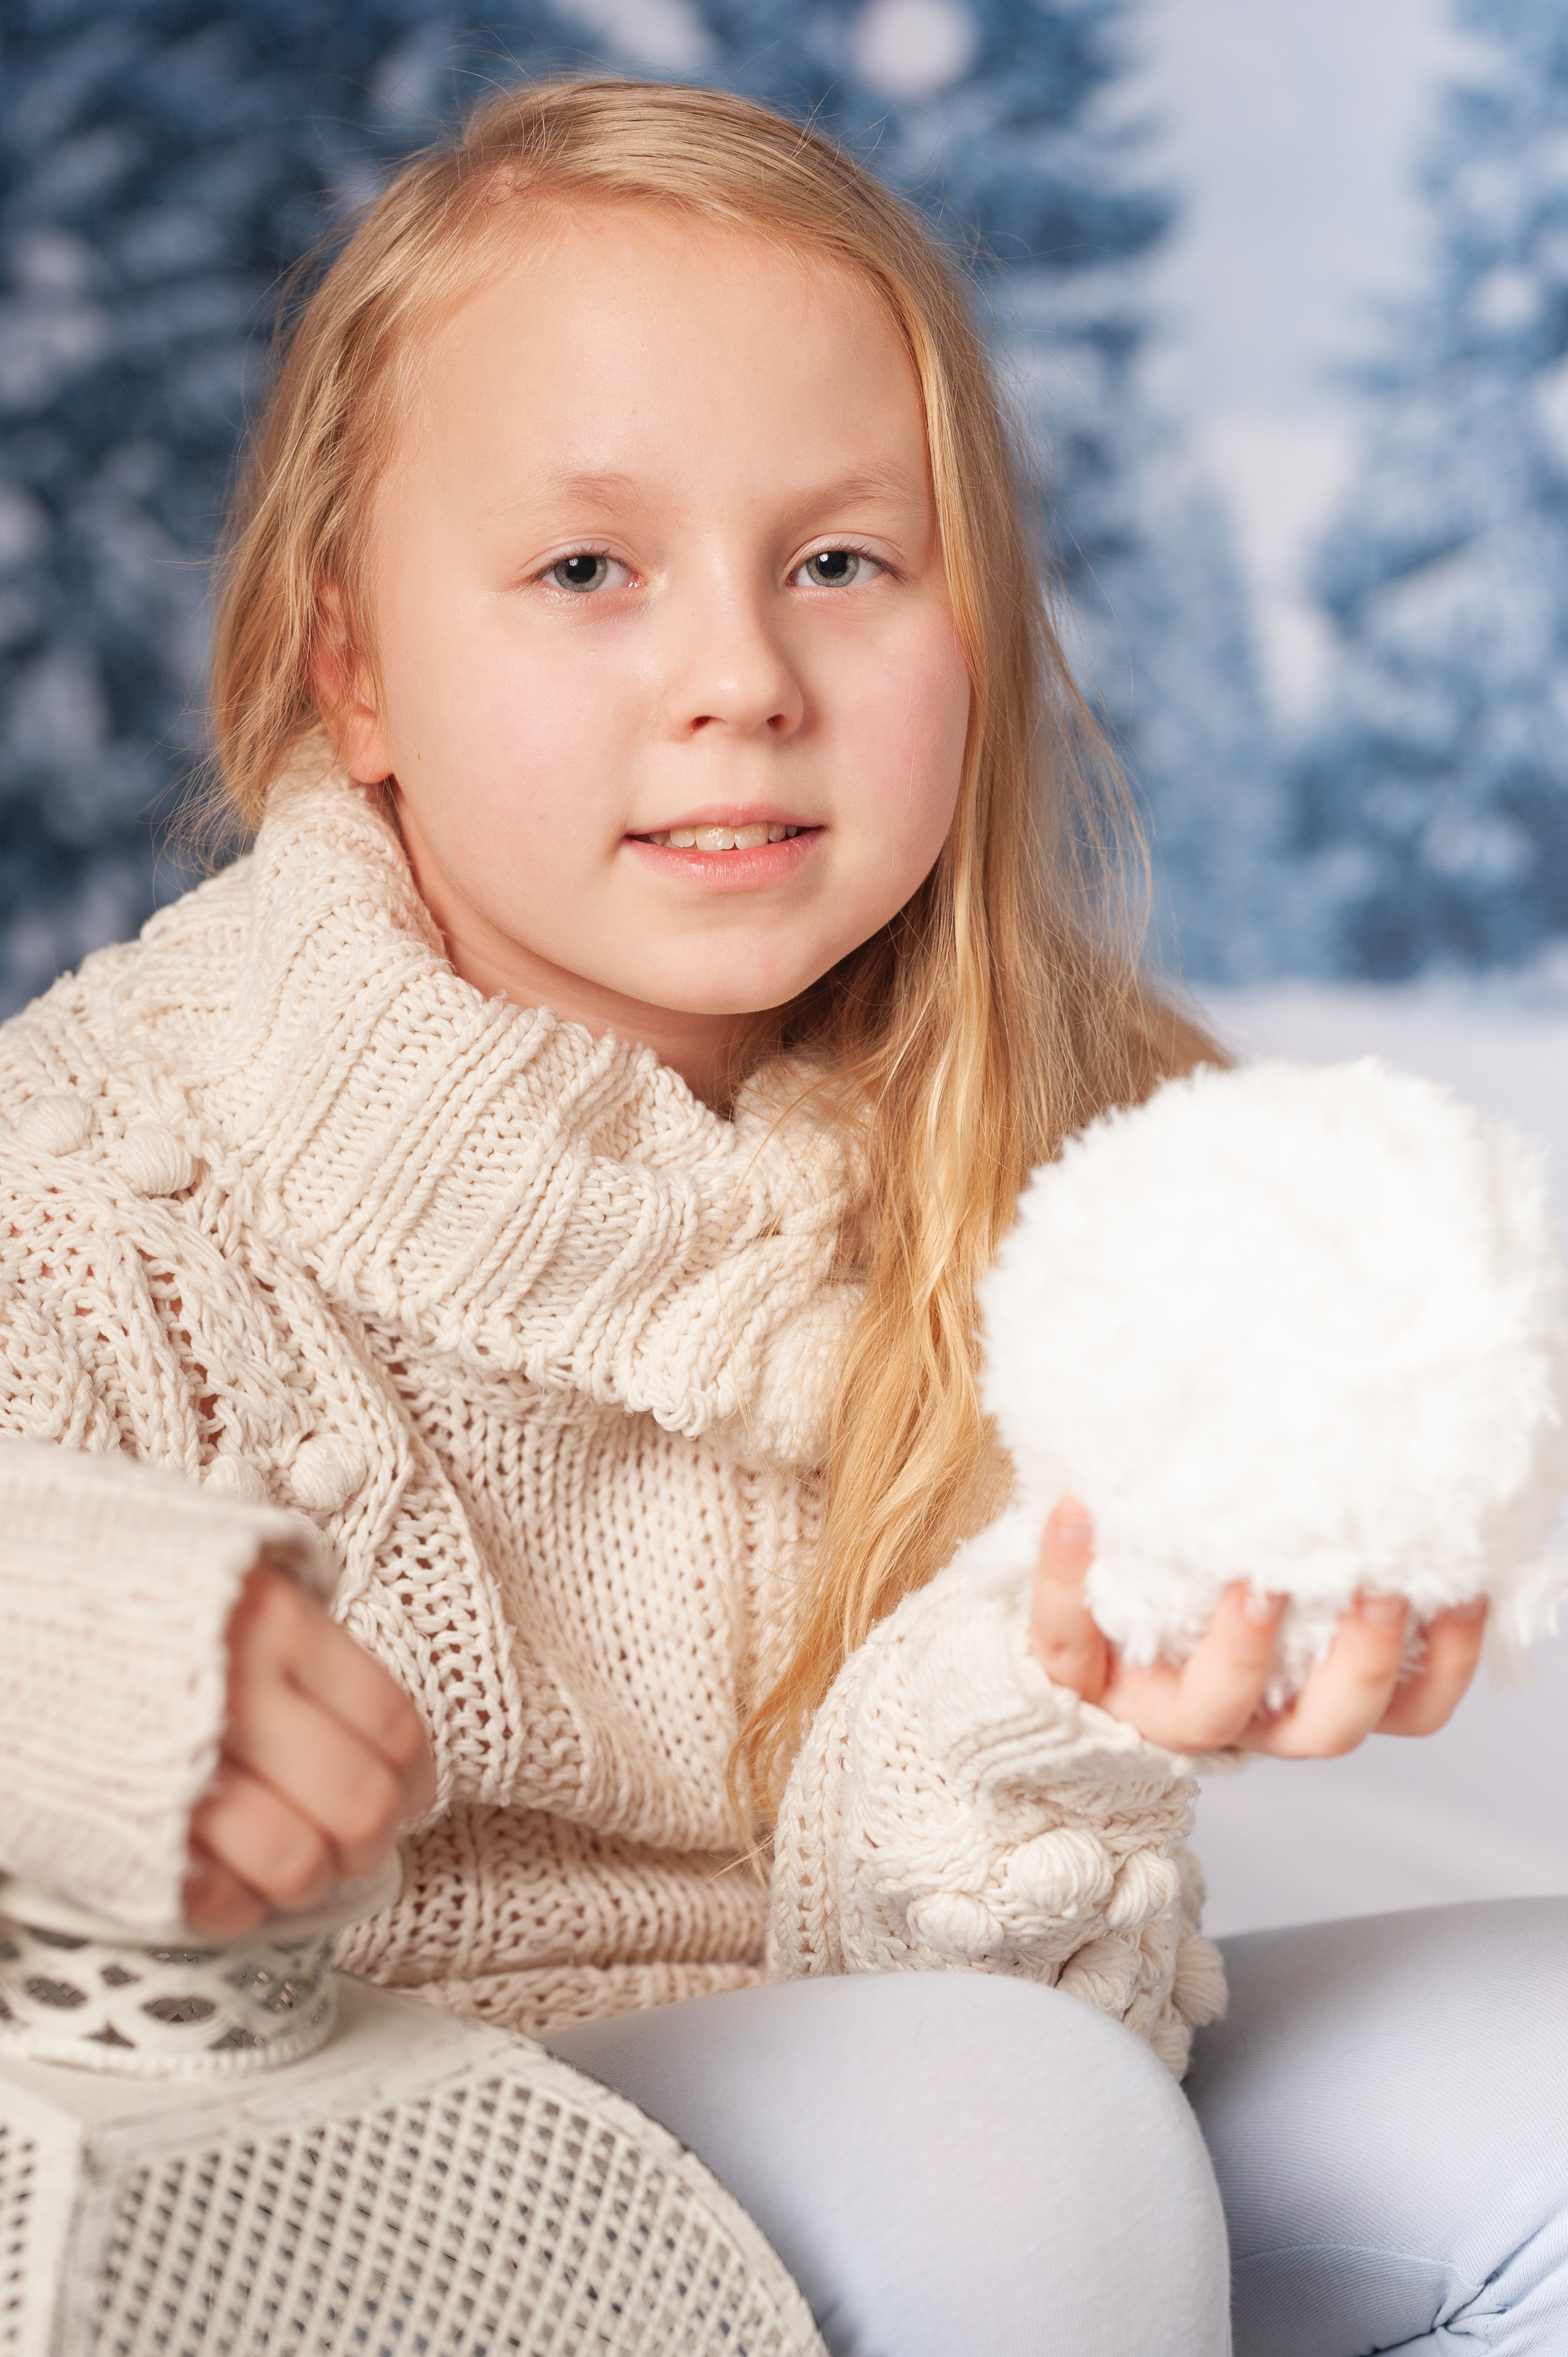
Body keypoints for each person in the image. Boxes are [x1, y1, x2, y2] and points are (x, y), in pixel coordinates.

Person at [0, 75, 1561, 2356]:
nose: (741, 677)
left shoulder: (1091, 1156)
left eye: (842, 560)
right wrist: (76, 1666)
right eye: (585, 572)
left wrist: (1128, 1670)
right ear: (355, 667)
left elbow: (967, 1978)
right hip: (332, 2189)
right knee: (1008, 2138)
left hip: (953, 2093)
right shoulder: (99, 1180)